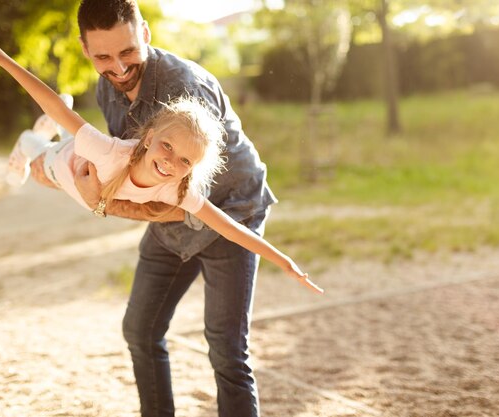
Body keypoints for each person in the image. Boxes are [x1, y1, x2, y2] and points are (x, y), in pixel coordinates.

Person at [22, 1, 303, 415]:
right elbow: (130, 172)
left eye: (127, 52)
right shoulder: (107, 89)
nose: (117, 67)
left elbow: (184, 203)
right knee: (141, 330)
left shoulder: (186, 90)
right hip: (174, 219)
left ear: (146, 35)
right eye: (103, 56)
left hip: (230, 212)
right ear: (85, 49)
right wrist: (65, 174)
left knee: (226, 348)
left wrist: (100, 202)